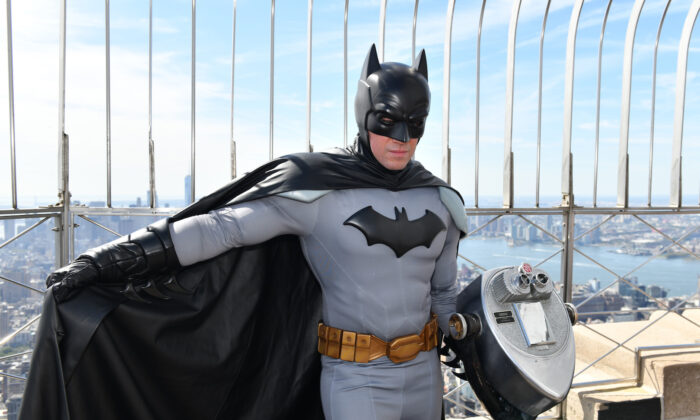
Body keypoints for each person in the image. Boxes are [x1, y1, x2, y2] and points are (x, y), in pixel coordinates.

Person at [20, 44, 467, 420]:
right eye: (387, 120)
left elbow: (443, 295)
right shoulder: (318, 191)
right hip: (357, 380)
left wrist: (470, 328)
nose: (402, 138)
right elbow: (221, 230)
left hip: (425, 375)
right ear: (364, 112)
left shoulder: (440, 200)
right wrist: (106, 260)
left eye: (415, 124)